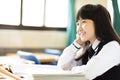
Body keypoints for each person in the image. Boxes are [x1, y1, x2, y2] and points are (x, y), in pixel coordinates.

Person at [57, 4, 120, 80]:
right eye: (77, 24)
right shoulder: (89, 49)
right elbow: (61, 67)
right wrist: (76, 44)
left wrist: (72, 70)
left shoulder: (112, 46)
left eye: (83, 22)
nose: (79, 29)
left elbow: (88, 73)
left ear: (98, 23)